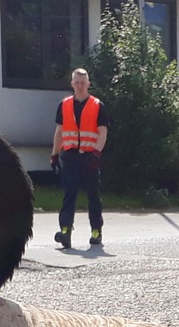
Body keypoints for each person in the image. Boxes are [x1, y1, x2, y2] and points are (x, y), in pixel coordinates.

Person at [51, 68, 109, 249]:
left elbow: (103, 132)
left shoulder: (98, 105)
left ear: (88, 84)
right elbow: (59, 132)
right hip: (70, 156)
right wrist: (54, 154)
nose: (80, 85)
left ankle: (96, 231)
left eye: (83, 82)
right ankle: (66, 231)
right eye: (77, 82)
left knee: (93, 195)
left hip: (89, 156)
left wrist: (97, 152)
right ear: (72, 84)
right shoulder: (64, 105)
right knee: (69, 195)